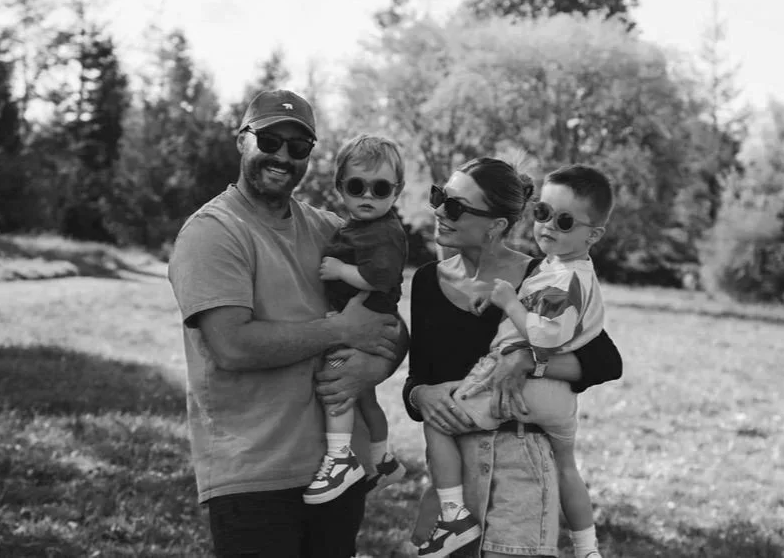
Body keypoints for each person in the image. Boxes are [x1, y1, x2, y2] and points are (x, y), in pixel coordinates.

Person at [167, 89, 405, 558]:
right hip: (253, 475)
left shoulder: (332, 229)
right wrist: (341, 332)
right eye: (271, 140)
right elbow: (231, 345)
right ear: (242, 140)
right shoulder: (213, 232)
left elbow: (390, 325)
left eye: (299, 148)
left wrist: (372, 369)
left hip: (338, 473)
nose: (282, 156)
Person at [404, 157, 623, 558]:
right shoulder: (425, 282)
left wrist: (527, 361)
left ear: (496, 225)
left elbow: (606, 362)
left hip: (520, 470)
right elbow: (417, 379)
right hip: (455, 465)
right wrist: (422, 396)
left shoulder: (542, 275)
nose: (438, 211)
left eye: (454, 206)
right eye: (440, 197)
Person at [304, 133, 409, 504]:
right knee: (365, 397)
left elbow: (379, 278)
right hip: (368, 319)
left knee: (337, 384)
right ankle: (383, 459)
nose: (367, 195)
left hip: (360, 325)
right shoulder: (365, 227)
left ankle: (340, 458)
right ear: (340, 188)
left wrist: (340, 271)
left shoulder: (382, 234)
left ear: (396, 192)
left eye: (380, 188)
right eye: (357, 186)